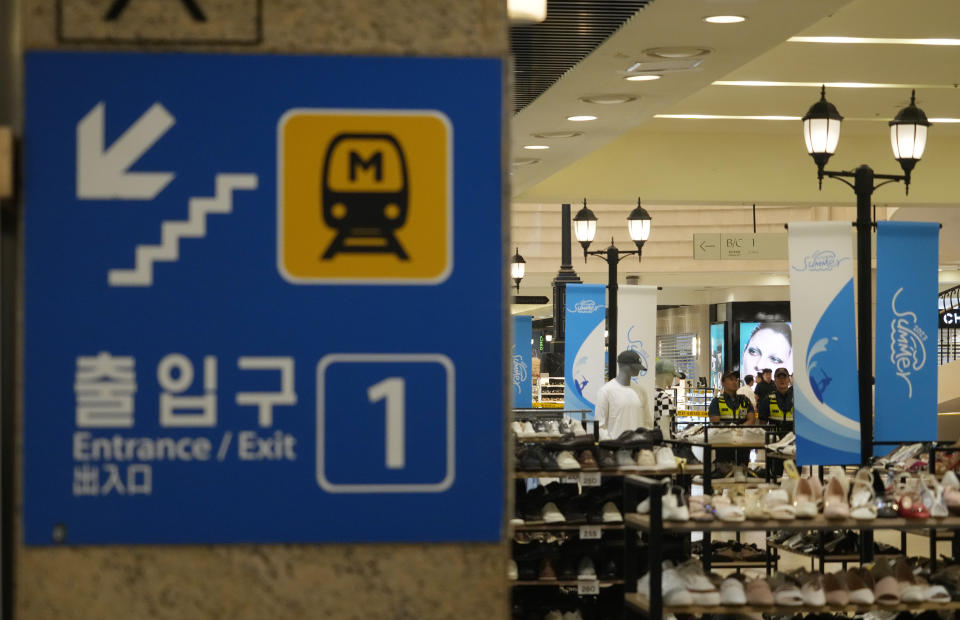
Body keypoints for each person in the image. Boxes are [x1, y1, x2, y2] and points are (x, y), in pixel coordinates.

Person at [596, 350, 650, 439]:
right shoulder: (605, 391)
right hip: (616, 449)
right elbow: (600, 426)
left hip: (639, 447)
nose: (638, 370)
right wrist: (611, 445)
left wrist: (645, 441)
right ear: (624, 366)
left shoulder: (641, 391)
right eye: (635, 367)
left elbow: (647, 422)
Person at [758, 367, 794, 434]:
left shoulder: (797, 399)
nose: (782, 380)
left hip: (793, 440)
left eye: (784, 377)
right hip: (774, 440)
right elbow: (762, 424)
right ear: (775, 380)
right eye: (779, 378)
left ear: (789, 380)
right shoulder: (768, 399)